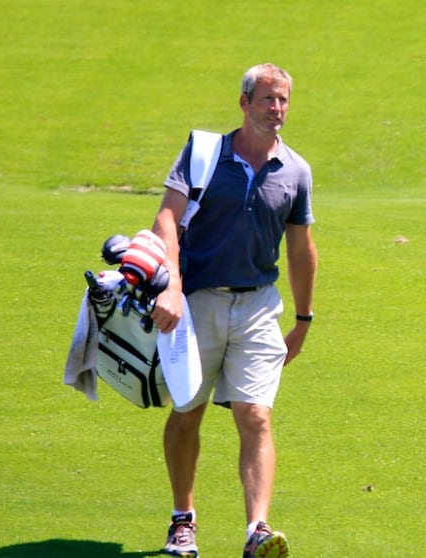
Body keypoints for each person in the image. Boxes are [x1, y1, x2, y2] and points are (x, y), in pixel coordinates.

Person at [148, 63, 317, 558]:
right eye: (267, 99)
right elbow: (166, 218)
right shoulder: (203, 155)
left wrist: (303, 319)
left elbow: (302, 248)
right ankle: (183, 519)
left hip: (258, 306)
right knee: (187, 412)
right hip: (196, 301)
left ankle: (257, 530)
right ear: (244, 103)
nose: (277, 109)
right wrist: (172, 286)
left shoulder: (296, 170)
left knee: (256, 416)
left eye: (283, 100)